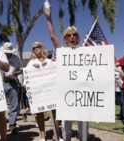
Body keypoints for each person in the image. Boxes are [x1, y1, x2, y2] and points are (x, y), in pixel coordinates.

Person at [43, 6, 88, 141]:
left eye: (74, 35)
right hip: (66, 91)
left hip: (82, 90)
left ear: (78, 38)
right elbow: (52, 36)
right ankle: (66, 137)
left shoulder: (85, 52)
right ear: (65, 38)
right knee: (66, 121)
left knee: (83, 119)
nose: (72, 37)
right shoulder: (61, 51)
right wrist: (48, 17)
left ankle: (83, 137)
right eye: (69, 35)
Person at [0, 42, 22, 135]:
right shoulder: (0, 56)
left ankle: (12, 124)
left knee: (14, 105)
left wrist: (15, 73)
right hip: (1, 82)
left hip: (13, 82)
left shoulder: (16, 58)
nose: (7, 53)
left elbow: (20, 69)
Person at [26, 41, 52, 141]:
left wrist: (47, 67)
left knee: (54, 111)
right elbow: (27, 76)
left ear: (42, 48)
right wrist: (33, 69)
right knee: (39, 113)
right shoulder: (31, 63)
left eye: (38, 47)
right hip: (38, 92)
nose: (36, 49)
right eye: (34, 48)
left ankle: (57, 133)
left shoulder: (49, 61)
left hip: (50, 91)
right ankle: (42, 135)